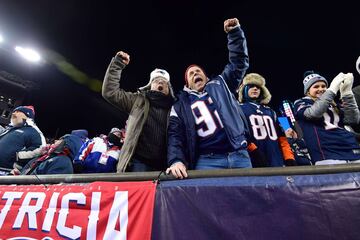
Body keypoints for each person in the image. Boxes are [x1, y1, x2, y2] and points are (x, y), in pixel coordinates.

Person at [166, 18, 251, 179]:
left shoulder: (221, 84)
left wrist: (234, 34)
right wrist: (176, 160)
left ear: (206, 77)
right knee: (211, 204)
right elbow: (175, 135)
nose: (195, 74)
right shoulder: (180, 105)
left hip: (238, 154)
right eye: (191, 74)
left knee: (248, 201)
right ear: (188, 84)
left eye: (198, 71)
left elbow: (239, 63)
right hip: (207, 160)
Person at [102, 52, 175, 172]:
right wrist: (117, 64)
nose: (160, 82)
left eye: (164, 81)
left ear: (169, 89)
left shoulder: (175, 107)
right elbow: (110, 92)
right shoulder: (137, 100)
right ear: (150, 86)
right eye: (156, 80)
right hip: (139, 162)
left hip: (164, 165)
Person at [294, 71, 360, 165]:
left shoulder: (333, 104)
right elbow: (313, 113)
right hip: (326, 150)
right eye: (316, 86)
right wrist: (331, 90)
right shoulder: (301, 102)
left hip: (349, 145)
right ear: (308, 91)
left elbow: (353, 119)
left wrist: (347, 93)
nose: (321, 89)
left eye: (323, 86)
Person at [237, 73, 296, 167]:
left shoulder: (271, 111)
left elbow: (282, 137)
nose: (255, 89)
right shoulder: (239, 109)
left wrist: (289, 157)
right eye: (251, 86)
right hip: (252, 159)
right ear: (244, 90)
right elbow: (239, 135)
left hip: (276, 159)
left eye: (258, 87)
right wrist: (254, 152)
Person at [0, 105, 46, 170]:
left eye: (18, 112)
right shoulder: (10, 129)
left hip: (6, 170)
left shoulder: (33, 131)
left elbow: (41, 148)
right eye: (14, 111)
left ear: (27, 115)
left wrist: (18, 156)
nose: (13, 113)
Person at [16, 132, 84, 175]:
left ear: (67, 144)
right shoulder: (45, 157)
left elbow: (48, 189)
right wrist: (19, 176)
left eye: (60, 139)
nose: (55, 140)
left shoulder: (62, 161)